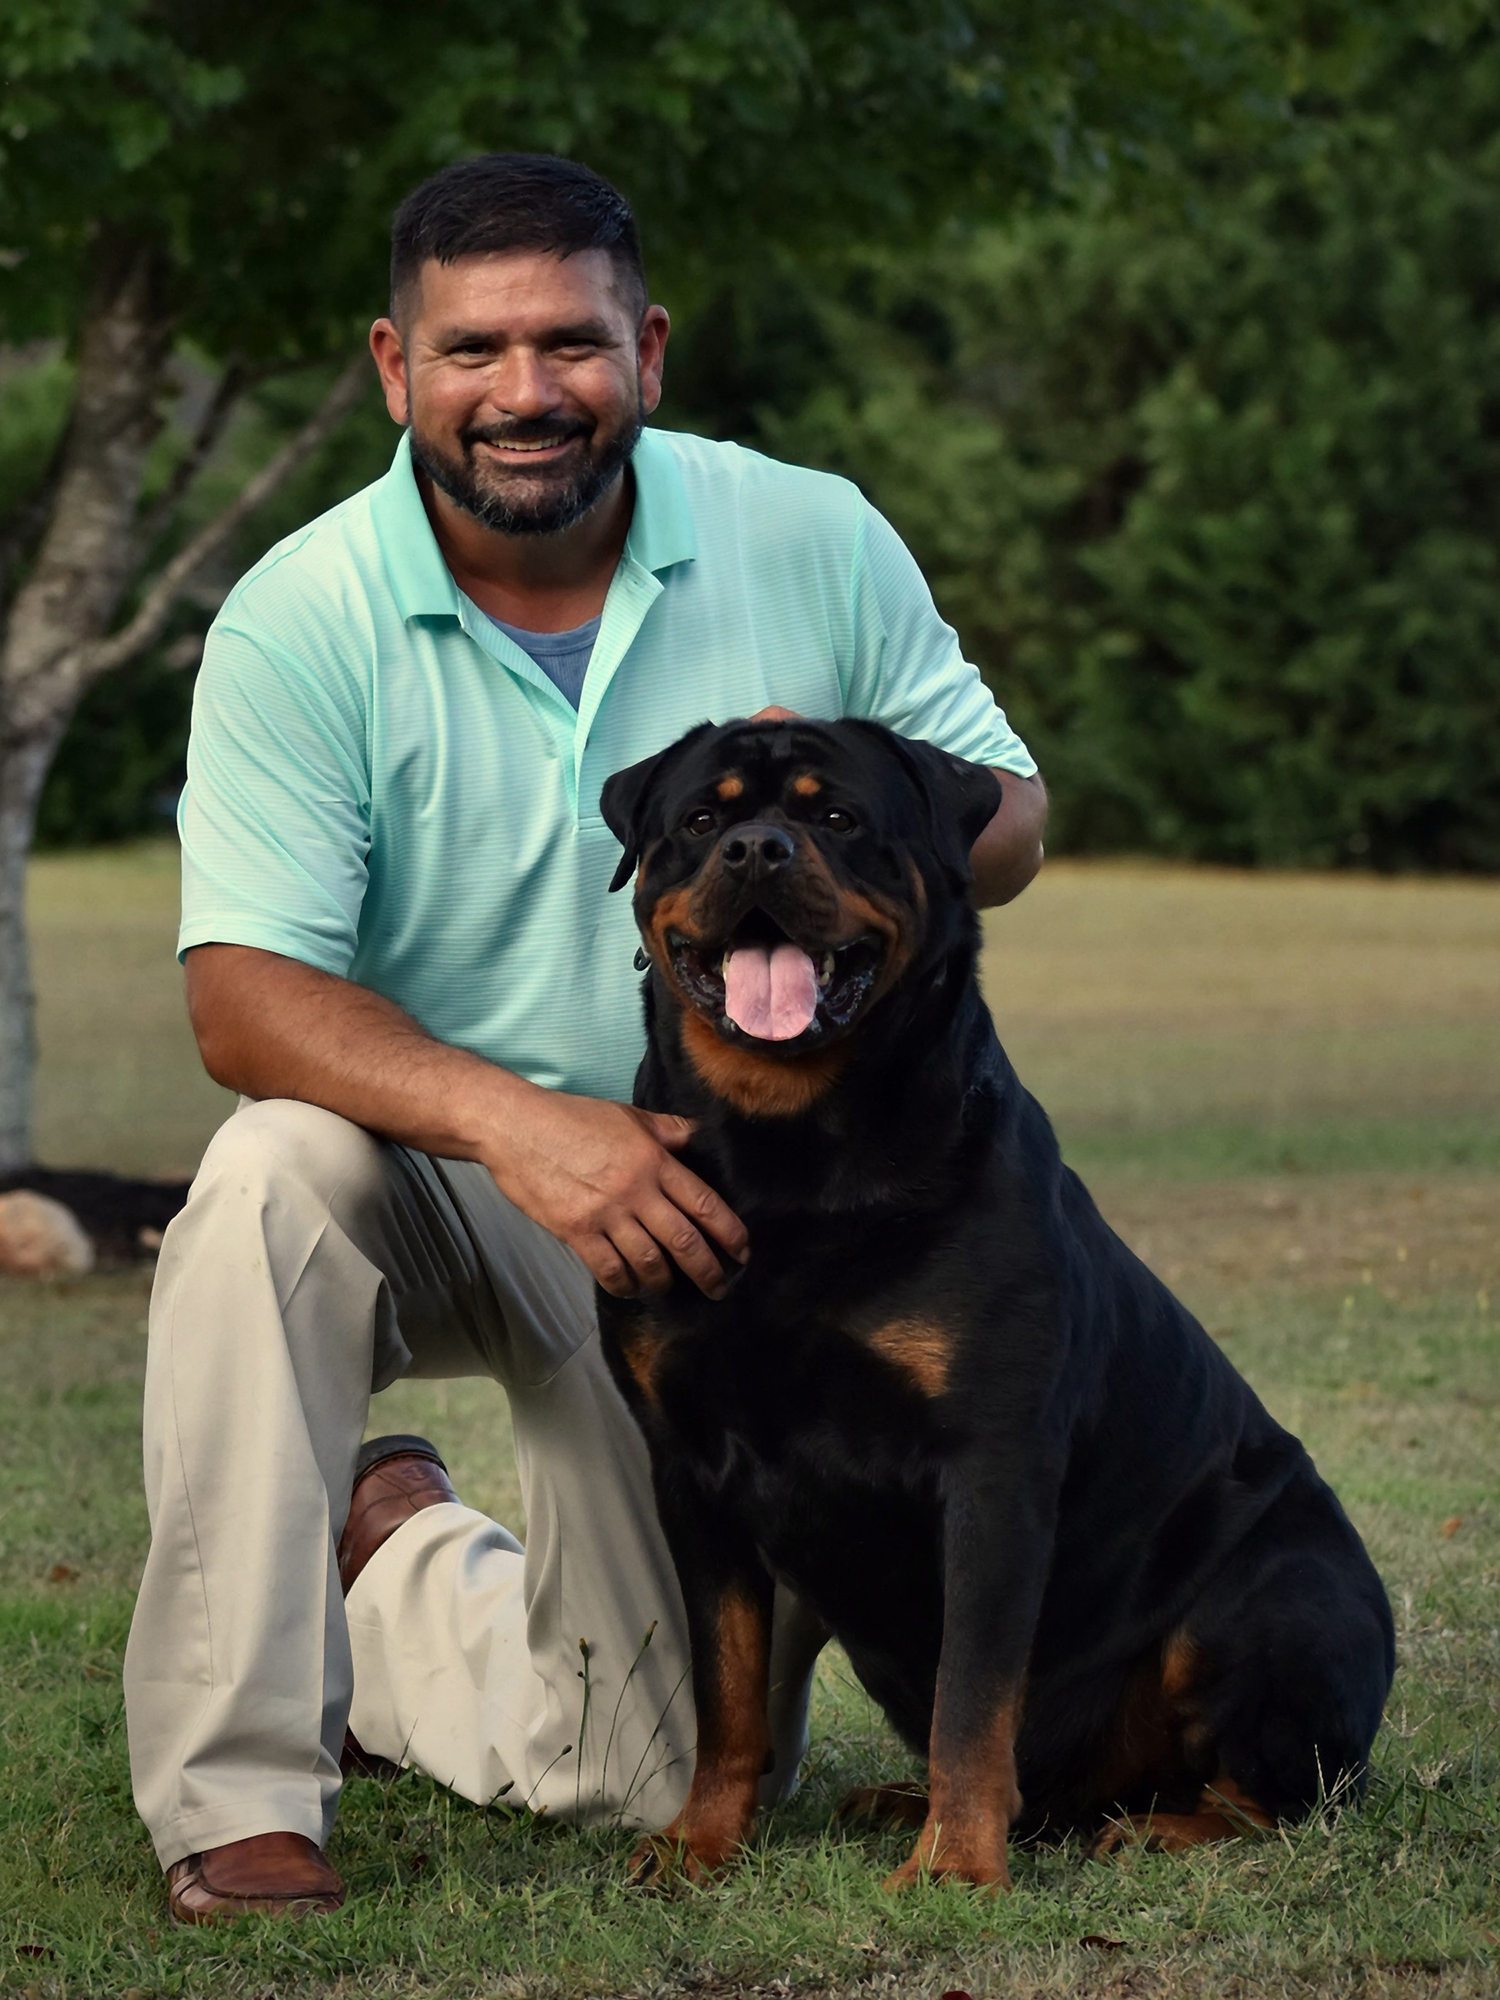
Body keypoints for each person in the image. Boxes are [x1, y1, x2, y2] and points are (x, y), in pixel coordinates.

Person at [124, 152, 1048, 1924]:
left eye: (573, 342)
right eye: (474, 350)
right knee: (263, 1181)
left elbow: (1010, 825)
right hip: (442, 1172)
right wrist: (514, 1120)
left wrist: (880, 781)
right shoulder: (299, 616)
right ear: (397, 369)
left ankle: (397, 1558)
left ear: (651, 350)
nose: (527, 392)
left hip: (727, 1222)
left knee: (647, 1767)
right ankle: (240, 1799)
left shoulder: (814, 533)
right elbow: (239, 998)